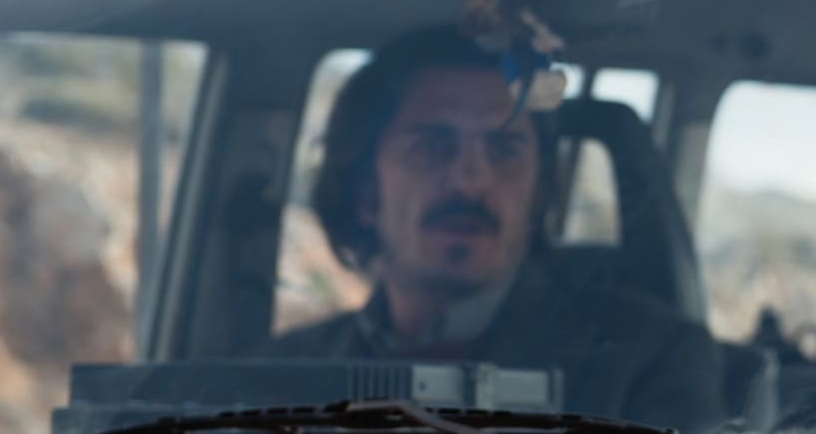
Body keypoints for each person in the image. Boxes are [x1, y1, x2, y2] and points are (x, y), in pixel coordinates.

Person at [265, 26, 727, 431]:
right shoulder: (282, 372)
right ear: (364, 192)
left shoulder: (647, 363)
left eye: (504, 149)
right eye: (433, 145)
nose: (471, 181)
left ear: (538, 193)